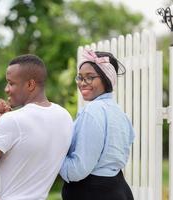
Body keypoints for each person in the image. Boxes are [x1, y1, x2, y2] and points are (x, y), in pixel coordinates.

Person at [0, 54, 73, 200]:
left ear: (30, 85)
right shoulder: (65, 117)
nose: (7, 89)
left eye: (11, 83)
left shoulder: (13, 120)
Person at [60, 49, 135, 200]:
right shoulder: (120, 113)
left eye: (90, 77)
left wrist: (54, 155)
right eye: (80, 77)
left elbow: (77, 170)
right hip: (118, 188)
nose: (82, 83)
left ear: (106, 79)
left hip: (93, 192)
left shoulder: (92, 112)